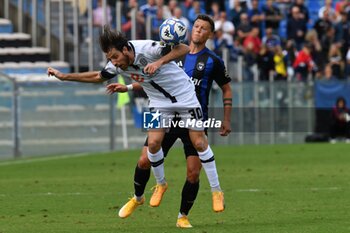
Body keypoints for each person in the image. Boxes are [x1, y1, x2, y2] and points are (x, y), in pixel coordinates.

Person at [47, 24, 224, 228]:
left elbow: (183, 48)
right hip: (158, 102)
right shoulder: (116, 64)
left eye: (114, 57)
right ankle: (160, 184)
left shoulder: (149, 48)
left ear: (125, 50)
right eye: (109, 59)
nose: (113, 63)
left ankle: (216, 190)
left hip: (186, 98)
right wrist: (64, 76)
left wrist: (159, 62)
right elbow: (98, 76)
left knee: (199, 143)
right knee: (153, 145)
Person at [107, 14, 232, 228]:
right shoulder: (168, 52)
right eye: (196, 26)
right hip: (163, 109)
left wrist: (227, 118)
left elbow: (226, 88)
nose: (198, 30)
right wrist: (127, 87)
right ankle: (138, 197)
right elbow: (151, 79)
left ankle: (182, 216)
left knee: (193, 171)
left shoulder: (213, 61)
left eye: (203, 28)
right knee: (145, 158)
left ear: (210, 34)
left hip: (192, 112)